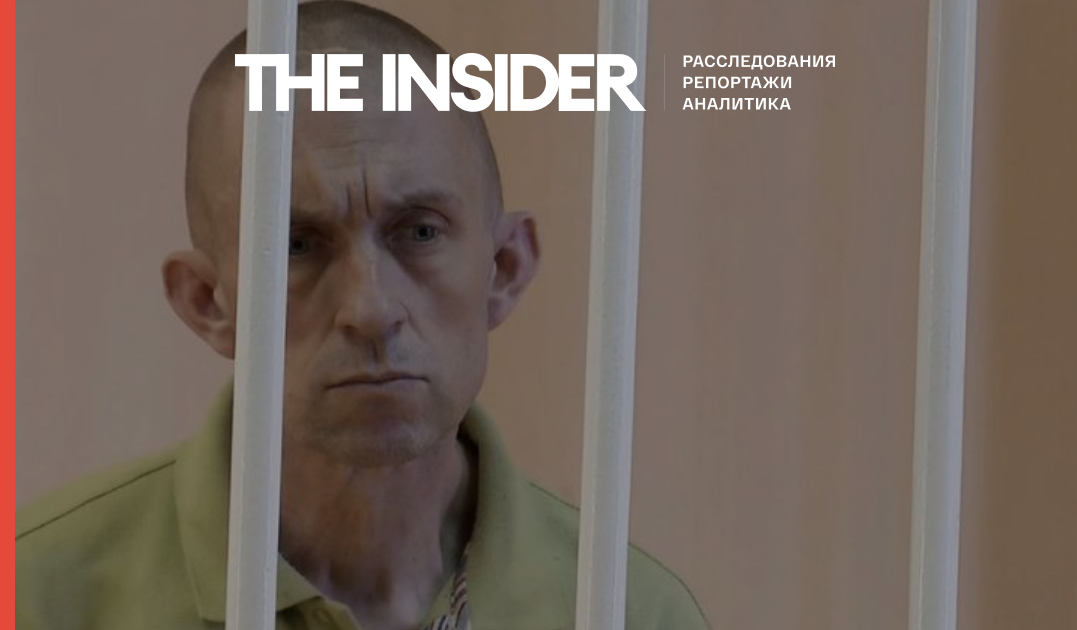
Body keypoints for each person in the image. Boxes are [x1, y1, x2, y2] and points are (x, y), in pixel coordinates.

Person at [15, 2, 709, 629]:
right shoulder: (39, 596)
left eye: (420, 232)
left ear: (503, 268)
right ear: (207, 302)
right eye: (296, 244)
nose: (370, 310)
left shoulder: (628, 613)